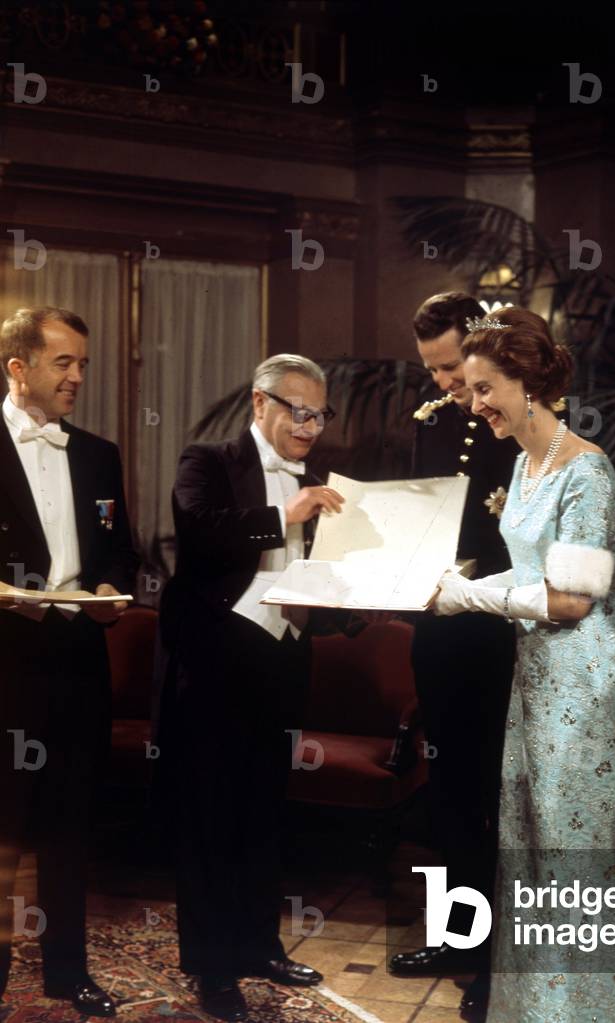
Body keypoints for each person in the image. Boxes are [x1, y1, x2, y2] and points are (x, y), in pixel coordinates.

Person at [433, 308, 615, 1023]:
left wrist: (470, 595)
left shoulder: (588, 471)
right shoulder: (526, 463)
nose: (475, 404)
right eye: (469, 389)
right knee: (529, 852)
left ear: (528, 382)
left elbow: (569, 601)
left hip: (585, 691)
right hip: (534, 683)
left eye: (485, 387)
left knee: (574, 854)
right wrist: (466, 584)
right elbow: (532, 577)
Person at [155, 355, 344, 1022]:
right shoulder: (207, 458)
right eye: (298, 409)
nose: (311, 424)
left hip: (283, 662)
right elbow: (200, 537)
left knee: (264, 812)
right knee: (210, 818)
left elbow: (331, 571)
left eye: (319, 412)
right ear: (260, 404)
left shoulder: (323, 480)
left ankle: (259, 945)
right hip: (213, 662)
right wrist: (282, 513)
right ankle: (212, 968)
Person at [0, 307, 137, 1017]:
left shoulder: (99, 454)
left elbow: (122, 555)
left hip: (80, 657)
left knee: (68, 823)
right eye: (63, 362)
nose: (78, 376)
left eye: (83, 362)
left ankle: (67, 971)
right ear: (18, 366)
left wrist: (112, 591)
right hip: (5, 662)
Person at [389, 295, 518, 1013]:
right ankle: (457, 936)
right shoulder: (431, 426)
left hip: (502, 629)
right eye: (433, 370)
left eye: (449, 366)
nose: (442, 383)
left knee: (496, 794)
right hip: (439, 628)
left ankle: (501, 951)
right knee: (449, 790)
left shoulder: (519, 420)